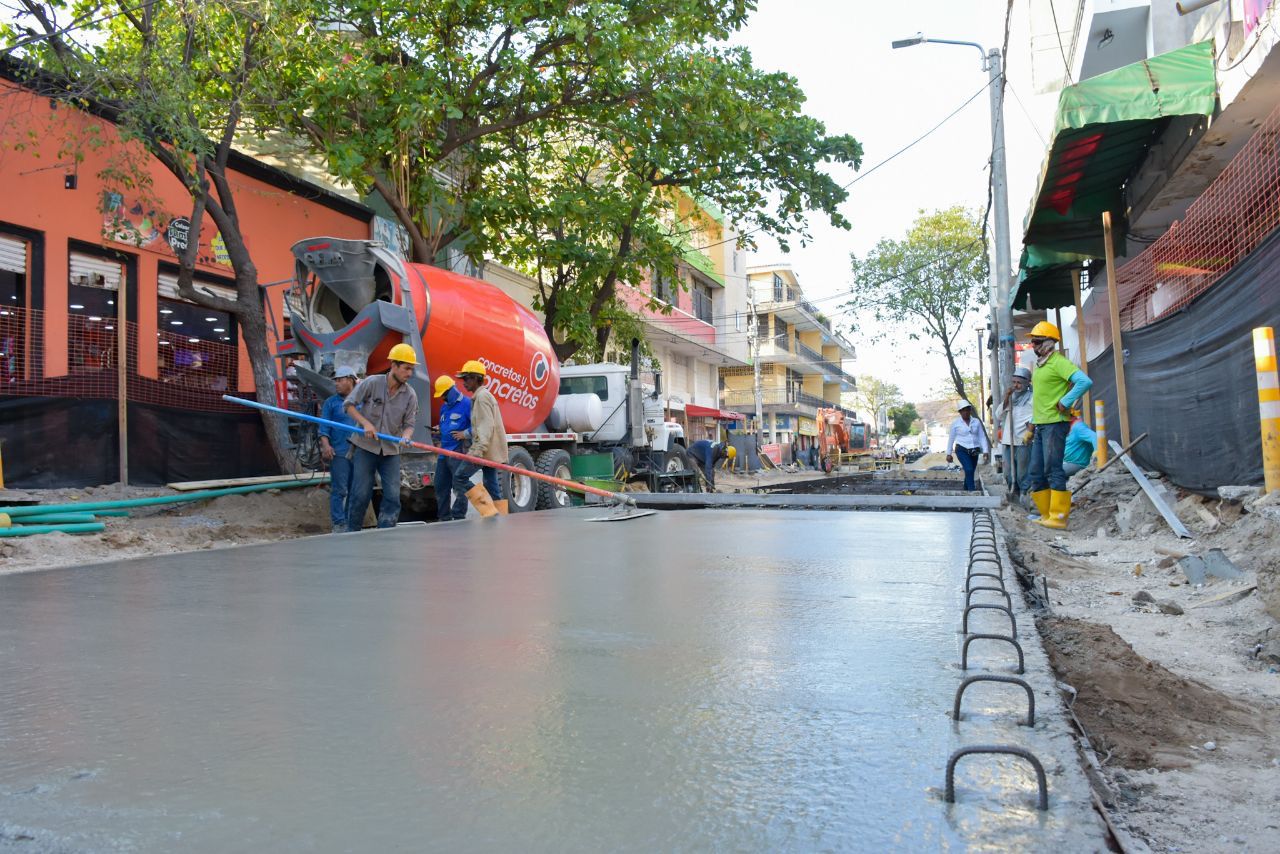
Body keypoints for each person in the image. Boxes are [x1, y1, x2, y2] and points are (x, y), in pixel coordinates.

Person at [344, 343, 420, 532]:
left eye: (412, 369)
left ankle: (385, 534)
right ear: (394, 366)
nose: (410, 373)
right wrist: (366, 424)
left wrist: (406, 437)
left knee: (393, 496)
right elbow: (349, 405)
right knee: (360, 494)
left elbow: (409, 424)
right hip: (365, 447)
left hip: (390, 451)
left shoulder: (410, 395)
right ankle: (351, 533)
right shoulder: (372, 383)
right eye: (406, 368)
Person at [1025, 320, 1093, 529]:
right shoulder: (1040, 365)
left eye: (1036, 342)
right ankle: (1046, 515)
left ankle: (1058, 517)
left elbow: (1084, 381)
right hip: (1041, 424)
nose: (1033, 346)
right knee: (1036, 471)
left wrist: (1065, 401)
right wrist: (1032, 425)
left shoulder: (1058, 362)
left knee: (1053, 469)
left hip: (1055, 424)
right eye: (1033, 342)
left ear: (1048, 342)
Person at [454, 359, 508, 516]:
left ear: (476, 378)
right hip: (489, 450)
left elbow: (485, 427)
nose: (464, 383)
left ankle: (490, 512)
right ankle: (501, 517)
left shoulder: (482, 397)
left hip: (484, 450)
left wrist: (477, 452)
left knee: (460, 477)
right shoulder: (483, 396)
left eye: (466, 378)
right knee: (491, 485)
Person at [319, 365, 360, 533]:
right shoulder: (331, 403)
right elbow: (323, 427)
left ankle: (350, 521)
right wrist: (326, 445)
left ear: (350, 380)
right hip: (340, 452)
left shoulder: (362, 400)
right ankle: (338, 522)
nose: (336, 383)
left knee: (356, 489)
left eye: (340, 380)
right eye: (335, 380)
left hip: (359, 452)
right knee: (339, 489)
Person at [432, 373, 472, 522]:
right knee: (440, 485)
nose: (442, 398)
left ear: (451, 390)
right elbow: (446, 425)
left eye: (443, 395)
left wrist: (465, 434)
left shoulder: (467, 404)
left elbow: (479, 426)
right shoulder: (444, 408)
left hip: (458, 451)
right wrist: (438, 429)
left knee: (459, 485)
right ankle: (444, 517)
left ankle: (459, 516)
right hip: (444, 452)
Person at [992, 365, 1034, 498]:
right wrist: (1006, 398)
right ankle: (1012, 492)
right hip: (1008, 440)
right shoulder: (1010, 397)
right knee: (1008, 471)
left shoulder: (1032, 398)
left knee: (1022, 472)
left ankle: (1023, 493)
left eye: (1019, 383)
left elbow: (1037, 417)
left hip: (1023, 440)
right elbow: (998, 414)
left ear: (1027, 383)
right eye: (1014, 382)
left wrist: (1031, 429)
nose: (1016, 386)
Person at [946, 400, 989, 492]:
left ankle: (965, 490)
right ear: (960, 412)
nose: (966, 412)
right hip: (962, 449)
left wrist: (985, 451)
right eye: (963, 410)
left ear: (970, 410)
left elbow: (982, 436)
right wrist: (948, 453)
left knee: (971, 471)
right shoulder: (955, 423)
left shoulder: (976, 422)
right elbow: (951, 439)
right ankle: (972, 492)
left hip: (975, 450)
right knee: (968, 469)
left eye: (968, 410)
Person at [1062, 410, 1098, 477]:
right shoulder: (1068, 426)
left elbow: (1095, 437)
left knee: (1052, 473)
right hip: (1066, 461)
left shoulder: (1078, 427)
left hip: (1078, 464)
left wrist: (1097, 453)